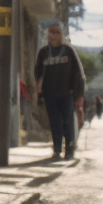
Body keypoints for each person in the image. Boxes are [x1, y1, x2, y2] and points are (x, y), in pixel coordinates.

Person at [34, 25, 86, 160]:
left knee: (68, 122)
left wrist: (77, 94)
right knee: (55, 122)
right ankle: (57, 150)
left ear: (61, 35)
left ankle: (69, 150)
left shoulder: (68, 51)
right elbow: (38, 72)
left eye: (56, 33)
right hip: (50, 94)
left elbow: (78, 73)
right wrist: (40, 89)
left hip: (66, 94)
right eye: (51, 32)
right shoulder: (44, 52)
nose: (53, 35)